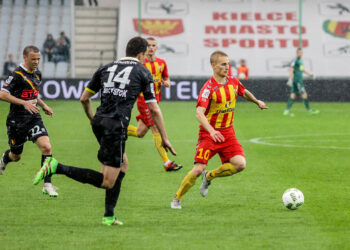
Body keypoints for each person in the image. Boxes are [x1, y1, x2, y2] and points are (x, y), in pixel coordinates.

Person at [32, 37, 177, 226]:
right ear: (141, 55)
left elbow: (84, 99)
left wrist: (93, 118)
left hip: (100, 121)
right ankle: (56, 167)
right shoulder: (142, 71)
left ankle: (109, 216)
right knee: (107, 181)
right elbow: (155, 109)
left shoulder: (105, 68)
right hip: (115, 125)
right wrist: (165, 138)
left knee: (122, 164)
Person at [170, 50, 268, 209]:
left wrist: (257, 101)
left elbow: (244, 92)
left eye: (228, 64)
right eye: (223, 64)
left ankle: (209, 176)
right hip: (209, 135)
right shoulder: (208, 89)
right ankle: (177, 198)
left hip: (228, 133)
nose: (227, 67)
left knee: (240, 164)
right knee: (197, 168)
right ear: (213, 65)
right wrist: (211, 131)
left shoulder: (233, 81)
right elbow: (199, 113)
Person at [0, 45, 58, 197]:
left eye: (38, 59)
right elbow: (3, 94)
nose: (36, 62)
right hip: (16, 121)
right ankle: (4, 159)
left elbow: (33, 94)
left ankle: (47, 184)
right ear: (25, 58)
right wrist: (23, 102)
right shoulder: (16, 75)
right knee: (16, 156)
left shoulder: (37, 74)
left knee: (46, 147)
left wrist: (44, 105)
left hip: (33, 118)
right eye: (33, 59)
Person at [127, 37, 182, 172]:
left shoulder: (161, 63)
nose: (151, 48)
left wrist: (166, 82)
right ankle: (167, 163)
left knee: (140, 133)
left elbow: (166, 77)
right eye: (148, 45)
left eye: (153, 45)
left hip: (155, 100)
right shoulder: (140, 64)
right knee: (156, 129)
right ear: (145, 48)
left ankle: (116, 127)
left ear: (157, 48)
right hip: (143, 101)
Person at [283, 48, 319, 116]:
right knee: (304, 94)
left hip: (298, 80)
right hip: (297, 81)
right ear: (297, 53)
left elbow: (302, 69)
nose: (300, 53)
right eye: (299, 52)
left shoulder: (300, 60)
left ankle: (286, 111)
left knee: (293, 95)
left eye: (301, 52)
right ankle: (309, 110)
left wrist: (310, 74)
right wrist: (290, 79)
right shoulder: (295, 60)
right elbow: (291, 69)